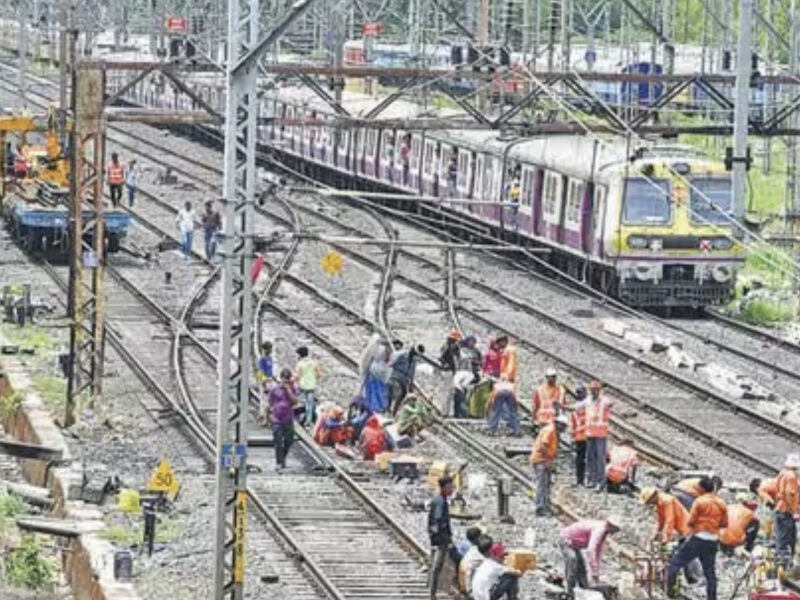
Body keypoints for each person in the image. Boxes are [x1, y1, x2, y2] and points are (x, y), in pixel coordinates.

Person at [666, 477, 728, 600]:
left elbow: (691, 521)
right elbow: (724, 524)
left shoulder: (699, 502)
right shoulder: (722, 503)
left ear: (701, 488)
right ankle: (712, 597)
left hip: (698, 538)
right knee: (710, 573)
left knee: (676, 563)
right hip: (713, 541)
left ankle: (670, 593)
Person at [559, 519, 620, 598]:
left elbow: (598, 551)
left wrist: (596, 571)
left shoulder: (603, 532)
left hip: (574, 544)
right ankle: (570, 591)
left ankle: (584, 589)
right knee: (572, 560)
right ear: (612, 527)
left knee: (581, 566)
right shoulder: (599, 529)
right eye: (615, 530)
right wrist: (594, 570)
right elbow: (591, 549)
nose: (614, 532)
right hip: (566, 539)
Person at [531, 414, 567, 517]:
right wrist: (547, 461)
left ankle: (545, 505)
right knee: (541, 485)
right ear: (558, 424)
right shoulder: (550, 430)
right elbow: (544, 446)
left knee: (546, 484)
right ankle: (539, 508)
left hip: (544, 460)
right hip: (540, 460)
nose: (564, 429)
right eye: (563, 426)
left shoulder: (553, 431)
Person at [428, 476, 454, 600]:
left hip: (438, 537)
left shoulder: (440, 499)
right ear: (443, 488)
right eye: (450, 487)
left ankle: (433, 592)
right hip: (440, 539)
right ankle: (432, 594)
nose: (452, 489)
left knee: (437, 565)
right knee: (437, 566)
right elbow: (438, 520)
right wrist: (444, 538)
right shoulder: (440, 501)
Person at [266, 368, 297, 471]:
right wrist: (268, 417)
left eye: (287, 379)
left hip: (288, 418)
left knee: (289, 441)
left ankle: (282, 457)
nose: (285, 381)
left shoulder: (292, 388)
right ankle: (279, 462)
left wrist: (288, 390)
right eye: (284, 379)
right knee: (278, 441)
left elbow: (294, 401)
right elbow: (269, 403)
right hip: (276, 419)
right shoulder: (275, 389)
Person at [773, 453, 799, 571]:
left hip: (779, 508)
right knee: (788, 539)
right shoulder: (791, 476)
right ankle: (785, 566)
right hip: (786, 511)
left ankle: (780, 565)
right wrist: (795, 511)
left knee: (781, 538)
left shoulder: (782, 474)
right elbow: (790, 494)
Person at [584, 380, 612, 492]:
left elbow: (609, 404)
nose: (594, 391)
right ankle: (591, 479)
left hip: (600, 434)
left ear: (599, 390)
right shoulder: (588, 401)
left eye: (596, 390)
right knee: (590, 457)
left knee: (600, 458)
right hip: (590, 433)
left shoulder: (604, 401)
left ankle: (600, 482)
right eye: (592, 390)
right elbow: (577, 406)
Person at [389, 344, 425, 415]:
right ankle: (389, 409)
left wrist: (411, 384)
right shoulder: (401, 354)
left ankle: (394, 412)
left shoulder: (414, 359)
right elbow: (391, 364)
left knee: (404, 393)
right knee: (397, 392)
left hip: (404, 378)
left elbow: (412, 372)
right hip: (396, 376)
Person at [295, 346, 322, 427]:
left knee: (302, 402)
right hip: (312, 386)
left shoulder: (300, 364)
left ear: (300, 355)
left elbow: (298, 376)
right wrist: (313, 378)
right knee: (310, 404)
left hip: (302, 386)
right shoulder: (314, 363)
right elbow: (319, 375)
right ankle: (308, 421)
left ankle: (301, 418)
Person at [569, 385, 587, 487]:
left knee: (582, 460)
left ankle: (582, 480)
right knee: (580, 460)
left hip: (587, 437)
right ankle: (580, 480)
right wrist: (572, 435)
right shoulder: (576, 409)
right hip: (581, 437)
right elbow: (573, 423)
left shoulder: (587, 407)